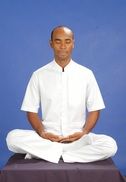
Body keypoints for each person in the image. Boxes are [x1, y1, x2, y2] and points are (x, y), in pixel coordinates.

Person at [6, 26, 117, 163]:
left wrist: (84, 132)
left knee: (110, 144)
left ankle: (57, 155)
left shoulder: (86, 74)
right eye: (58, 41)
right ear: (51, 44)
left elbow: (95, 108)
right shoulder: (39, 75)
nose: (63, 46)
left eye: (67, 41)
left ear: (73, 44)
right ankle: (57, 152)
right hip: (47, 139)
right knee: (12, 138)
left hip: (78, 140)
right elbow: (30, 110)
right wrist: (42, 133)